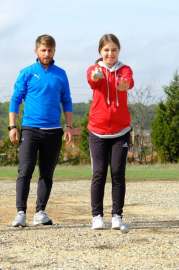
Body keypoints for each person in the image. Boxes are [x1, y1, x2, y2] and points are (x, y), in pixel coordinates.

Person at [9, 34, 73, 227]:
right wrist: (12, 126)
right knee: (25, 171)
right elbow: (15, 100)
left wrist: (68, 126)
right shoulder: (27, 72)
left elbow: (67, 100)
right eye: (43, 50)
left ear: (54, 51)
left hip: (53, 130)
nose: (46, 53)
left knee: (46, 174)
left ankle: (40, 212)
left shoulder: (61, 74)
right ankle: (20, 213)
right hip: (30, 129)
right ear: (36, 51)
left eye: (50, 50)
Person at [86, 34, 134, 230]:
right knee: (99, 173)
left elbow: (127, 82)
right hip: (97, 131)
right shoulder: (94, 69)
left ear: (119, 51)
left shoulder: (125, 69)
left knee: (117, 173)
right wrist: (96, 76)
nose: (110, 53)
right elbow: (93, 79)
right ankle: (97, 216)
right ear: (100, 52)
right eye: (106, 50)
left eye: (114, 50)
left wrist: (123, 84)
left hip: (120, 131)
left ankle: (117, 215)